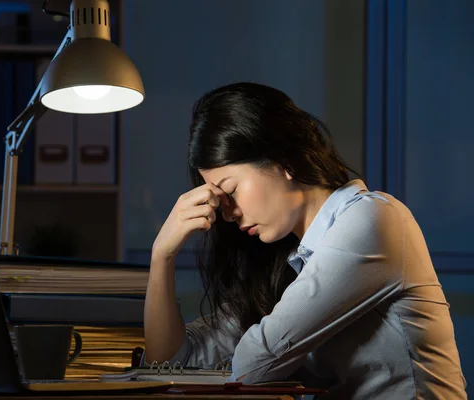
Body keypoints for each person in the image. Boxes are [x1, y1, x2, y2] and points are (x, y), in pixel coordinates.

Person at [143, 82, 467, 399]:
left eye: (230, 191)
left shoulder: (371, 220)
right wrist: (162, 255)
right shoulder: (287, 258)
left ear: (285, 161)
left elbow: (254, 364)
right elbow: (171, 361)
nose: (227, 214)